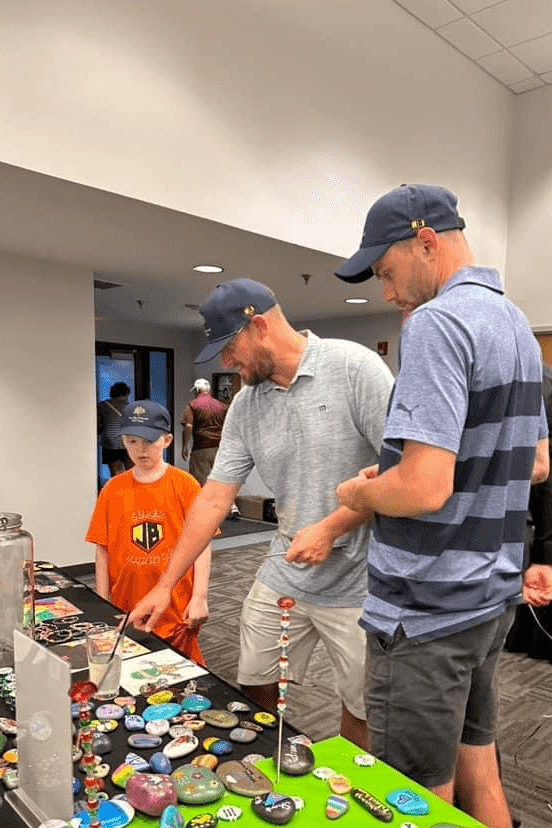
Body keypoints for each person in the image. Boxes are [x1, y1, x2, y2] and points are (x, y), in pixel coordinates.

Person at [334, 183, 548, 828]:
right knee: (480, 771)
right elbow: (536, 461)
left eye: (386, 271)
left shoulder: (436, 323)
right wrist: (406, 476)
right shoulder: (515, 323)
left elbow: (425, 488)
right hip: (489, 595)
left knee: (413, 805)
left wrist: (362, 493)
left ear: (426, 242)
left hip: (425, 609)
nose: (387, 292)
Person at [131, 278, 394, 749]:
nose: (227, 362)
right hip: (284, 570)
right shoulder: (246, 405)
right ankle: (265, 769)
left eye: (229, 348)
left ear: (259, 326)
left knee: (361, 706)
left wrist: (330, 528)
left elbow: (401, 473)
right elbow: (214, 499)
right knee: (252, 684)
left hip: (362, 579)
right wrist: (166, 584)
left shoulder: (356, 367)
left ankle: (353, 782)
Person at [86, 400, 211, 665]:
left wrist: (199, 596)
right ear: (123, 442)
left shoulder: (185, 485)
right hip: (126, 606)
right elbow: (102, 549)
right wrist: (102, 603)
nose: (140, 449)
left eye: (149, 441)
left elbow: (201, 546)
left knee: (182, 675)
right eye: (132, 441)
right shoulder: (112, 490)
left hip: (176, 609)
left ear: (166, 440)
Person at [522, 363, 552, 607]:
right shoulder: (546, 380)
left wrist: (546, 554)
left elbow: (549, 472)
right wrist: (545, 556)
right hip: (507, 544)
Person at [181, 378, 239, 519]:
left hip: (202, 447)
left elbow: (188, 426)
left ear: (197, 391)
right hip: (220, 447)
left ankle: (202, 510)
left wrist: (184, 446)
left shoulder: (193, 405)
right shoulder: (221, 406)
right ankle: (232, 507)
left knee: (198, 479)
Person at [97, 382, 132, 477]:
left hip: (110, 441)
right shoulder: (132, 407)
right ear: (127, 393)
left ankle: (117, 485)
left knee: (116, 473)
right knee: (130, 472)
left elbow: (99, 423)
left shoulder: (103, 406)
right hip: (127, 442)